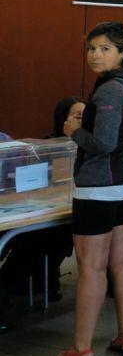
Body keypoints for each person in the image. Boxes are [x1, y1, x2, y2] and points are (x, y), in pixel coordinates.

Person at [52, 22, 123, 356]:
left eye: (105, 48)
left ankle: (81, 349)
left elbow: (104, 144)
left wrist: (74, 130)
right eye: (92, 48)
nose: (96, 54)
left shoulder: (110, 91)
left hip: (100, 186)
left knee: (91, 268)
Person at [0, 97, 85, 332]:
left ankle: (35, 279)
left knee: (60, 230)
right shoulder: (48, 146)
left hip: (28, 211)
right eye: (77, 115)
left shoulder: (6, 142)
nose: (83, 120)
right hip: (18, 212)